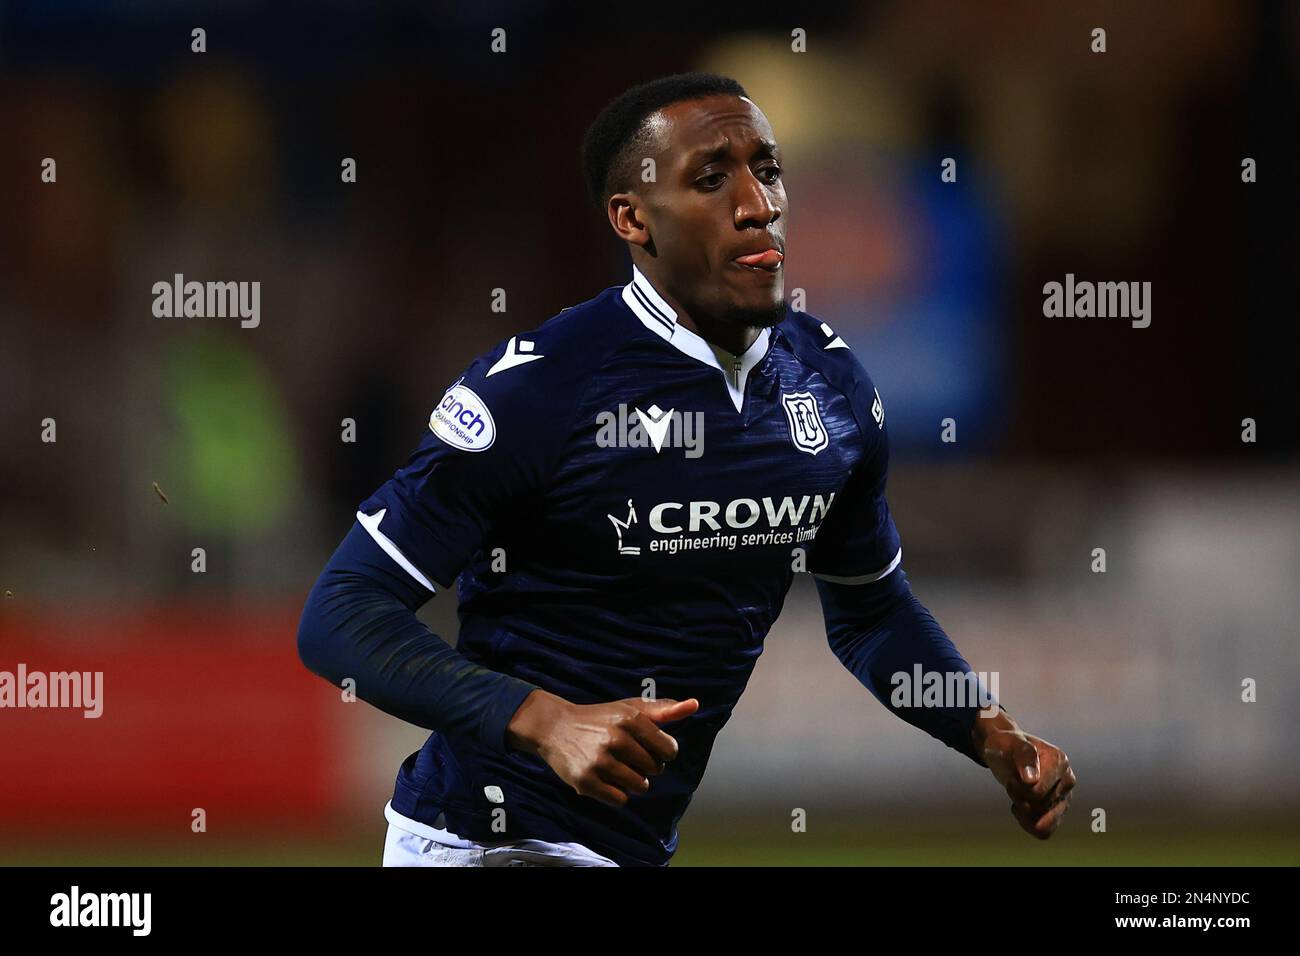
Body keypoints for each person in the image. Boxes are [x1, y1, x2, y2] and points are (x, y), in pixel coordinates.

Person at [297, 72, 1075, 867]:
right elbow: (342, 612)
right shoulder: (542, 389)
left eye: (766, 171)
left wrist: (988, 732)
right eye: (711, 179)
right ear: (633, 218)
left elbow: (871, 614)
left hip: (631, 848)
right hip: (490, 839)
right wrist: (545, 719)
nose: (757, 204)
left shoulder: (830, 388)